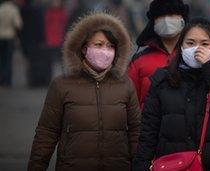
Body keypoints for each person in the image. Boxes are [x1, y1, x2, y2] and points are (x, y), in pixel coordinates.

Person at [28, 12, 141, 171]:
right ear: (83, 48)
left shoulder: (125, 84)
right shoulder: (62, 85)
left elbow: (136, 130)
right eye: (98, 45)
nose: (105, 51)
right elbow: (46, 133)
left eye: (110, 46)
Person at [133, 17, 210, 171]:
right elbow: (149, 131)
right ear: (181, 46)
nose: (197, 49)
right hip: (172, 165)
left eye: (205, 44)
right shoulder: (162, 80)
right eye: (190, 43)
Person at [128, 0, 190, 109]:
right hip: (149, 124)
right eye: (161, 16)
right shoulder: (139, 61)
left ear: (182, 19)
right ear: (153, 23)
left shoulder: (199, 55)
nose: (166, 20)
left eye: (171, 14)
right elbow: (129, 104)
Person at [0, 0, 22, 86]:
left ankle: (1, 79)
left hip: (0, 37)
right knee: (8, 59)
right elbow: (18, 24)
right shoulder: (13, 9)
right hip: (9, 37)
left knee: (1, 60)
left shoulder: (0, 9)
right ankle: (7, 80)